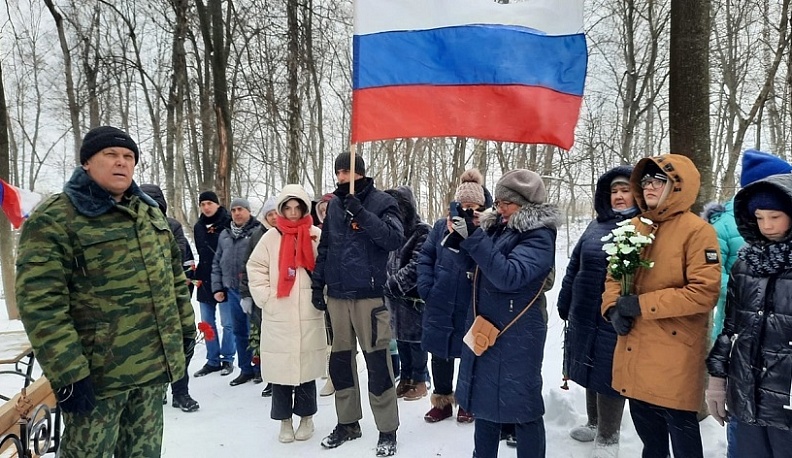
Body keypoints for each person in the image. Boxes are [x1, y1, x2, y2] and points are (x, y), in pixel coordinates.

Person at [15, 126, 196, 457]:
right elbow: (41, 303)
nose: (121, 163)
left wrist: (183, 334)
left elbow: (173, 280)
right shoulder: (56, 217)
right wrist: (68, 373)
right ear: (86, 162)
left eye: (128, 157)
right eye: (110, 155)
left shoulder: (148, 213)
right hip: (97, 378)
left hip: (151, 370)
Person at [601, 154, 721, 458]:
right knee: (650, 441)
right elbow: (613, 278)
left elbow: (703, 293)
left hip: (674, 353)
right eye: (645, 181)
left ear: (677, 186)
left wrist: (641, 305)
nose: (649, 186)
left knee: (682, 439)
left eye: (658, 180)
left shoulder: (698, 232)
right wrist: (614, 308)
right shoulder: (634, 227)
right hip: (635, 348)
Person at [454, 169, 560, 458]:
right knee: (485, 403)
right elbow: (481, 266)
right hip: (489, 326)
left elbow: (510, 276)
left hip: (518, 333)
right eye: (497, 202)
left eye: (505, 204)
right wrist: (463, 237)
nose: (498, 209)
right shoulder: (500, 226)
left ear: (525, 205)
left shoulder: (539, 235)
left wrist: (476, 239)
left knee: (522, 407)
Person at [700, 149, 792, 458]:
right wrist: (717, 378)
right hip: (746, 393)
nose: (766, 225)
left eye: (775, 217)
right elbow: (730, 325)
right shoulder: (746, 261)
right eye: (759, 217)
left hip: (786, 400)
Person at [312, 152, 404, 456]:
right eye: (338, 173)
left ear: (361, 173)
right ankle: (348, 422)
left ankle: (387, 429)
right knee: (340, 363)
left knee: (378, 363)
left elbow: (392, 239)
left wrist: (362, 214)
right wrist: (318, 284)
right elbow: (325, 247)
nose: (342, 178)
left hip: (369, 296)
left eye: (347, 172)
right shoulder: (335, 204)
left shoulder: (382, 202)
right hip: (337, 296)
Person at [557, 166, 636, 454]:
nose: (618, 196)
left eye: (625, 190)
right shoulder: (595, 226)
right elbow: (574, 265)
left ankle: (608, 435)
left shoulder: (643, 227)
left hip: (614, 316)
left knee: (610, 372)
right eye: (614, 191)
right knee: (590, 366)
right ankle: (593, 423)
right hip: (584, 309)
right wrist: (565, 300)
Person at [247, 185, 325, 443]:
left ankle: (306, 418)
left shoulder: (315, 234)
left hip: (308, 313)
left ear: (304, 208)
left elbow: (325, 268)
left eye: (297, 207)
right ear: (280, 209)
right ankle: (284, 421)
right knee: (281, 372)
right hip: (278, 314)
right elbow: (255, 268)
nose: (292, 213)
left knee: (305, 371)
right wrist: (266, 298)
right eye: (287, 208)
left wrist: (320, 296)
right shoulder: (271, 237)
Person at [417, 168, 489, 424]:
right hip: (440, 299)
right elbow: (426, 256)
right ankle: (442, 400)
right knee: (440, 353)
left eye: (474, 205)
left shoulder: (487, 230)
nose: (468, 209)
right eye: (464, 204)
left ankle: (467, 401)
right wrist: (427, 286)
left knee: (469, 353)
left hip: (471, 303)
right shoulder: (440, 226)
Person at [140, 183, 200, 413]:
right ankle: (157, 390)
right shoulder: (132, 228)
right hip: (145, 304)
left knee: (181, 345)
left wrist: (184, 293)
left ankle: (181, 392)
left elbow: (183, 260)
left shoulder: (172, 227)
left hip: (172, 299)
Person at [383, 186, 432, 401]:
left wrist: (394, 284)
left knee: (416, 340)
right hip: (394, 298)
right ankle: (406, 377)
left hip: (414, 296)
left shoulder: (422, 231)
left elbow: (418, 263)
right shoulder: (392, 232)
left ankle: (420, 380)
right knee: (401, 339)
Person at [212, 197, 263, 386]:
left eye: (241, 209)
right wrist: (217, 287)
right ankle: (245, 369)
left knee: (255, 331)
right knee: (239, 331)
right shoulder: (225, 235)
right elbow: (217, 262)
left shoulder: (257, 232)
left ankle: (259, 368)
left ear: (249, 211)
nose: (237, 213)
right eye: (233, 210)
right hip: (232, 289)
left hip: (253, 290)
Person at [193, 191, 236, 378]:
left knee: (228, 323)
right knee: (207, 323)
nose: (206, 207)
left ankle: (227, 358)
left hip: (225, 278)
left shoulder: (228, 223)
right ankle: (212, 360)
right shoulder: (198, 226)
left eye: (209, 203)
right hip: (204, 278)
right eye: (202, 204)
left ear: (217, 204)